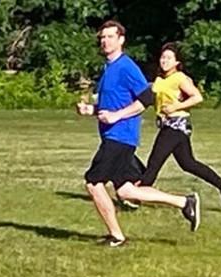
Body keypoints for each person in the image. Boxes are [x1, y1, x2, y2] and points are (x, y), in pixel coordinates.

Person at [76, 20, 200, 247]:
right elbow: (111, 105)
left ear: (121, 40)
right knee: (125, 190)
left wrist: (117, 116)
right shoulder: (108, 69)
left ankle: (117, 236)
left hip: (121, 137)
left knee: (93, 183)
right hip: (113, 135)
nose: (105, 41)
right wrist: (91, 110)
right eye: (103, 37)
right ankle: (184, 202)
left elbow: (146, 98)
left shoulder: (126, 66)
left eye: (110, 37)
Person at [138, 42, 221, 205]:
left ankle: (135, 198)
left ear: (177, 62)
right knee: (188, 163)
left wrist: (176, 106)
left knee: (153, 164)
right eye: (163, 57)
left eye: (169, 58)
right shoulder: (159, 79)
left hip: (175, 126)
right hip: (167, 126)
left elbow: (197, 97)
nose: (164, 61)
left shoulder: (179, 78)